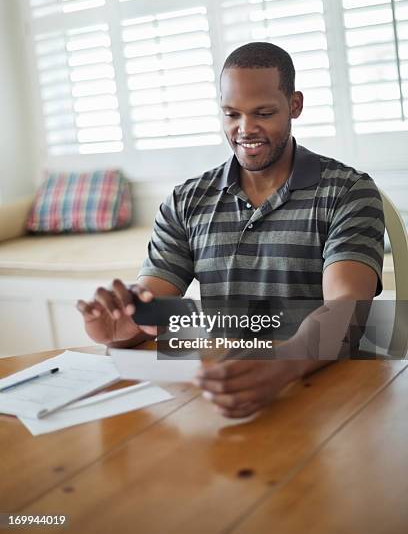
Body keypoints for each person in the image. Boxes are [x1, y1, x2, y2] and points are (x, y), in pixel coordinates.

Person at [77, 42, 384, 419]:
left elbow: (348, 310)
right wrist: (117, 326)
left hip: (329, 394)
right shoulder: (187, 201)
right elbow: (150, 311)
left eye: (263, 113)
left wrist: (283, 362)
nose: (245, 129)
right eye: (231, 114)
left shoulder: (348, 191)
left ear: (295, 105)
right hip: (228, 389)